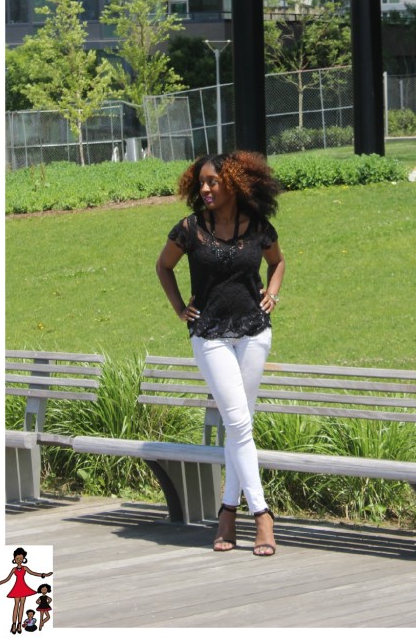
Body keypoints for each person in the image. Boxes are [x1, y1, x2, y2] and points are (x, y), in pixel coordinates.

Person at [155, 151, 285, 557]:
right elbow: (163, 266)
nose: (205, 189)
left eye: (212, 182)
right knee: (238, 422)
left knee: (238, 425)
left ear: (234, 183)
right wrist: (180, 309)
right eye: (201, 183)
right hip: (209, 334)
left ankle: (228, 512)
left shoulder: (258, 226)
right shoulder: (190, 229)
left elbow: (278, 262)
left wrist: (273, 292)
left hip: (253, 333)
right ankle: (263, 515)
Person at [0, 549, 51, 634]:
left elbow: (33, 573)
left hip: (23, 588)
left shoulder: (25, 568)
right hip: (17, 588)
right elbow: (7, 579)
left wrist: (43, 574)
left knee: (22, 606)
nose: (19, 560)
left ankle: (19, 624)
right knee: (16, 605)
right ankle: (14, 624)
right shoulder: (14, 569)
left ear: (23, 558)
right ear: (14, 559)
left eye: (21, 558)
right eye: (17, 558)